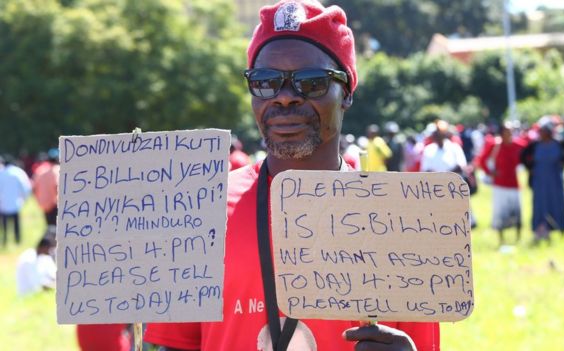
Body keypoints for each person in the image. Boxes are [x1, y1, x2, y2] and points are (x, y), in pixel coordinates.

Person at [145, 1, 439, 350]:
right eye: (265, 82)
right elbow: (176, 345)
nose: (285, 98)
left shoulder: (400, 222)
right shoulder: (200, 207)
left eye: (311, 82)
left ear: (346, 92)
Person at [520, 116, 564, 243]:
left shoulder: (559, 143)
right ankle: (541, 229)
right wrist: (530, 167)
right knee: (540, 204)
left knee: (557, 203)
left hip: (555, 180)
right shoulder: (535, 145)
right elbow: (523, 156)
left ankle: (560, 228)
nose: (542, 133)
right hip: (539, 180)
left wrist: (563, 161)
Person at [476, 122, 525, 245]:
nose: (509, 134)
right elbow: (481, 160)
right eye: (507, 131)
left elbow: (528, 152)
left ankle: (517, 239)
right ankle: (501, 240)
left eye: (511, 131)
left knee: (516, 211)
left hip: (514, 183)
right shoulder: (495, 145)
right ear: (501, 133)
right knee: (500, 213)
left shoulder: (517, 145)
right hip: (500, 185)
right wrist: (490, 173)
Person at [0, 155, 32, 246]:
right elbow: (26, 187)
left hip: (3, 203)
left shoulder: (2, 173)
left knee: (4, 225)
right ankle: (17, 240)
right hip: (16, 202)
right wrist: (24, 199)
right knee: (16, 224)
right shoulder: (18, 172)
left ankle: (5, 241)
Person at [32, 148, 60, 225]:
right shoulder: (58, 170)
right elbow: (57, 187)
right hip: (55, 204)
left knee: (49, 226)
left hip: (44, 204)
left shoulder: (40, 170)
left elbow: (34, 188)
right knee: (56, 228)